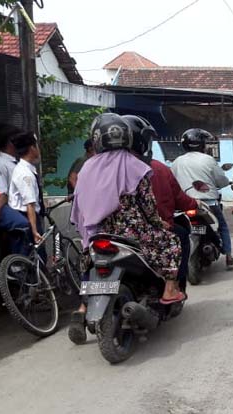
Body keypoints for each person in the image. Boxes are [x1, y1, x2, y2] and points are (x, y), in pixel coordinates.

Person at [68, 113, 185, 344]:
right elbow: (147, 204)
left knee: (88, 259)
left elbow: (79, 205)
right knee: (172, 241)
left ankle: (82, 308)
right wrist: (157, 222)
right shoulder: (135, 165)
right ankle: (170, 289)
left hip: (98, 233)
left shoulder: (86, 169)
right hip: (131, 232)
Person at [123, 115, 198, 293]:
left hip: (103, 234)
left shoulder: (96, 168)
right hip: (145, 232)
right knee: (179, 238)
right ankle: (173, 286)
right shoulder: (151, 169)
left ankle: (83, 305)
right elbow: (152, 207)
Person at [171, 128, 233, 268]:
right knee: (223, 226)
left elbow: (172, 183)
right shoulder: (208, 159)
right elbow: (221, 180)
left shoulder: (176, 162)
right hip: (209, 203)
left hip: (185, 205)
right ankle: (229, 256)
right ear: (201, 144)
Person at [8, 132, 44, 245]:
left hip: (27, 217)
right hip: (27, 218)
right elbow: (30, 204)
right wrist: (34, 231)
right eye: (36, 145)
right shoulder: (25, 174)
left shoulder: (26, 169)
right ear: (32, 148)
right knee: (34, 257)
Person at [0, 123, 21, 191]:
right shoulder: (0, 164)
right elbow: (3, 192)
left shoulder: (14, 162)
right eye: (18, 139)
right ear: (10, 142)